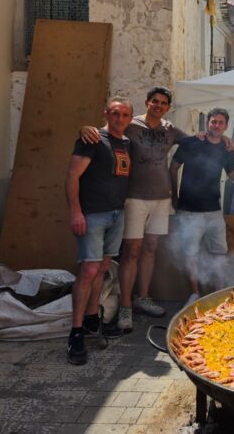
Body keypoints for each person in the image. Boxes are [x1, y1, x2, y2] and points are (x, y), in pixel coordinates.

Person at [82, 86, 184, 331]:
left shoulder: (170, 130)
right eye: (155, 101)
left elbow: (195, 141)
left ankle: (142, 298)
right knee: (132, 251)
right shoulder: (131, 124)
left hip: (161, 198)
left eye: (163, 103)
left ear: (168, 108)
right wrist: (85, 128)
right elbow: (105, 132)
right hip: (134, 197)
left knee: (150, 249)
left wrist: (222, 141)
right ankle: (125, 307)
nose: (158, 106)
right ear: (147, 102)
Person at [65, 97, 133, 365]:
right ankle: (76, 332)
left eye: (125, 115)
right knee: (89, 270)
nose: (120, 119)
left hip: (117, 213)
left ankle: (93, 319)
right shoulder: (92, 138)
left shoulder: (126, 143)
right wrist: (75, 211)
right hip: (93, 214)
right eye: (115, 113)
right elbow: (72, 175)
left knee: (104, 268)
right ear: (106, 113)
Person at [169, 108, 234, 304]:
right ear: (207, 123)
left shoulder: (226, 149)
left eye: (221, 122)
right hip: (189, 210)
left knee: (220, 254)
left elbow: (233, 176)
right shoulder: (192, 143)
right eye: (213, 121)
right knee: (191, 254)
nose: (216, 125)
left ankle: (220, 293)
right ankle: (195, 294)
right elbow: (173, 168)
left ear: (226, 126)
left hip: (215, 211)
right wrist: (174, 196)